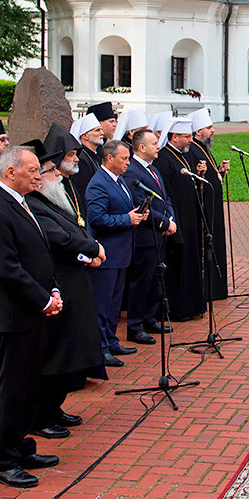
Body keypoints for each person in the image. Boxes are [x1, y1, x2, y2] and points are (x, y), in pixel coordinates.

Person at [0, 146, 64, 489]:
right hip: (11, 314)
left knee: (28, 384)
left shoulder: (19, 201)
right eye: (32, 171)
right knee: (11, 387)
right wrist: (43, 299)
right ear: (11, 172)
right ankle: (3, 460)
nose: (38, 176)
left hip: (33, 309)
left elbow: (36, 253)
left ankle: (21, 445)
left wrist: (52, 290)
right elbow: (5, 267)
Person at [27, 144, 106, 439]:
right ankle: (41, 413)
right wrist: (92, 248)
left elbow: (75, 228)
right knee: (55, 352)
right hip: (58, 286)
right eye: (48, 172)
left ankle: (55, 406)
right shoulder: (34, 203)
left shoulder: (51, 198)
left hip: (76, 282)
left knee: (70, 349)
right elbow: (57, 237)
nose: (56, 176)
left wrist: (89, 250)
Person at [86, 139, 146, 366]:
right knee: (102, 304)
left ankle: (111, 340)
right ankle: (101, 348)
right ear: (109, 158)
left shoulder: (119, 181)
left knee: (114, 303)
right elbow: (97, 219)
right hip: (107, 254)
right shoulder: (98, 184)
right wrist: (126, 219)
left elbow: (121, 209)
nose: (128, 163)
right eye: (124, 159)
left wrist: (136, 215)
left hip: (122, 253)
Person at [121, 128, 178, 344]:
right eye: (154, 143)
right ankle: (135, 325)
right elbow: (140, 203)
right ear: (142, 147)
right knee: (142, 281)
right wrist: (163, 223)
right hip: (145, 236)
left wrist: (170, 218)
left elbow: (164, 197)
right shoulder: (132, 171)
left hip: (160, 234)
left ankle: (150, 317)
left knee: (156, 279)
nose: (158, 146)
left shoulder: (153, 169)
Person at [153, 117, 203, 321]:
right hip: (175, 220)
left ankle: (191, 306)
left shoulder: (185, 155)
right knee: (177, 264)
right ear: (174, 137)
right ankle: (176, 309)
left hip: (189, 219)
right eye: (187, 136)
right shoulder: (164, 159)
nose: (191, 140)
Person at [189, 107, 230, 302]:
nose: (213, 131)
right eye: (209, 127)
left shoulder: (204, 148)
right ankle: (210, 289)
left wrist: (220, 172)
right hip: (205, 210)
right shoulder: (194, 151)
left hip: (214, 208)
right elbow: (198, 180)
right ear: (198, 132)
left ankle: (218, 289)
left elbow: (212, 179)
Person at [45, 122, 88, 228]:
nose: (76, 159)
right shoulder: (51, 186)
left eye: (76, 154)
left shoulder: (69, 180)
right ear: (59, 158)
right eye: (71, 155)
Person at [69, 113, 104, 211]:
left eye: (101, 129)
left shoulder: (96, 155)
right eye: (97, 130)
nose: (102, 133)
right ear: (85, 136)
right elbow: (83, 191)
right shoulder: (81, 159)